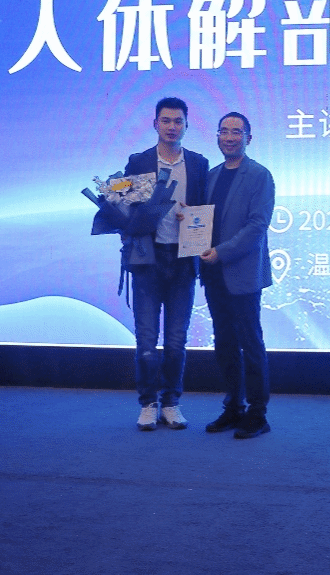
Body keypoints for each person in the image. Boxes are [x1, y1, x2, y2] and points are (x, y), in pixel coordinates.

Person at [124, 97, 208, 432]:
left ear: (187, 125)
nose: (172, 127)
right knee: (146, 341)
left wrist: (194, 216)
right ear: (155, 124)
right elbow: (125, 207)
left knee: (175, 342)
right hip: (149, 260)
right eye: (166, 120)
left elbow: (206, 209)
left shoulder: (198, 164)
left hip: (183, 261)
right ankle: (148, 403)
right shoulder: (139, 161)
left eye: (178, 121)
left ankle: (171, 402)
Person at [199, 112, 275, 439]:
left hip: (242, 273)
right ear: (217, 136)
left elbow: (257, 226)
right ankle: (233, 408)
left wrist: (222, 252)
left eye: (236, 132)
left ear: (248, 138)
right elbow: (201, 221)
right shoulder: (212, 176)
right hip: (213, 273)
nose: (229, 137)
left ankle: (258, 414)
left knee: (250, 342)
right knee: (225, 343)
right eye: (224, 131)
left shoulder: (259, 175)